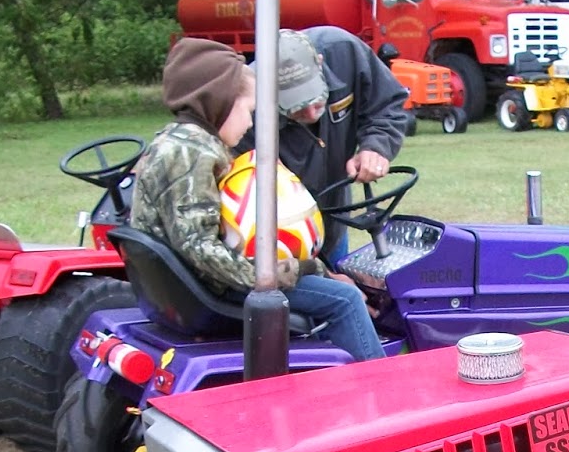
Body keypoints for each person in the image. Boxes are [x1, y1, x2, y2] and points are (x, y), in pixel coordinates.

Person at [128, 37, 383, 364]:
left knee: (327, 280)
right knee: (345, 298)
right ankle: (383, 391)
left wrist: (310, 268)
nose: (251, 123)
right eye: (248, 111)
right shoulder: (190, 154)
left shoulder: (177, 140)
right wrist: (295, 269)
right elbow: (200, 248)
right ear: (219, 101)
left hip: (194, 285)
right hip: (212, 291)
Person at [244, 26, 410, 259]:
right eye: (297, 108)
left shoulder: (344, 53)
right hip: (288, 240)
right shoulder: (245, 110)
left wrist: (376, 146)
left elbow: (387, 104)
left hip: (335, 224)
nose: (312, 114)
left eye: (316, 98)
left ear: (320, 63)